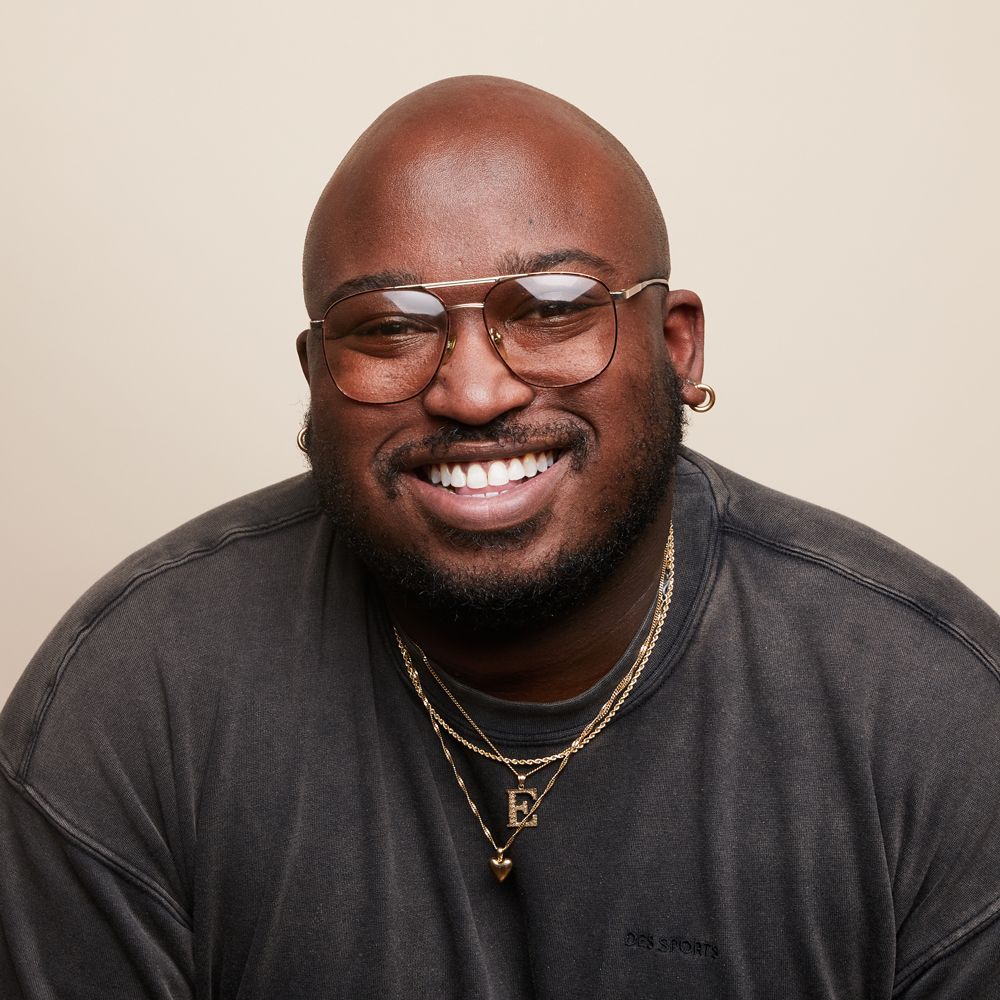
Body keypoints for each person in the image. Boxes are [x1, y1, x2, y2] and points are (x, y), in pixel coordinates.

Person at [1, 76, 997, 999]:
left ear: (676, 348)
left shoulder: (933, 716)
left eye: (554, 310)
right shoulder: (133, 698)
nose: (473, 393)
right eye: (389, 327)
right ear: (316, 378)